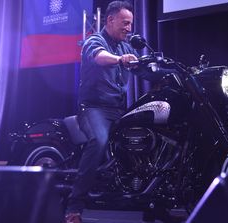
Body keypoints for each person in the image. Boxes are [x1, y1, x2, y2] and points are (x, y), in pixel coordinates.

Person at [64, 1, 138, 223]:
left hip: (118, 110)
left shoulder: (127, 46)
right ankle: (74, 206)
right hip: (93, 108)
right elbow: (99, 57)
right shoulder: (94, 40)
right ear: (110, 20)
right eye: (125, 23)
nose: (128, 28)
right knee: (99, 140)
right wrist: (120, 60)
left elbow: (142, 67)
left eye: (131, 24)